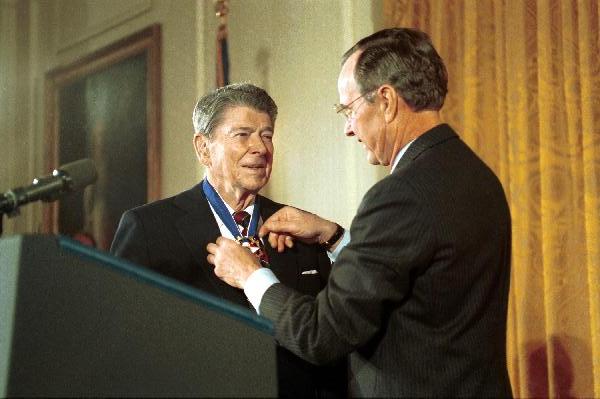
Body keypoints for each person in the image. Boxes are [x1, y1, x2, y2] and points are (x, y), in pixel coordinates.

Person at [207, 29, 513, 397]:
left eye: (349, 110)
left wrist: (251, 275)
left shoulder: (400, 195)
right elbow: (422, 275)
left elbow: (320, 335)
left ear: (385, 100)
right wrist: (334, 236)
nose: (349, 128)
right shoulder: (478, 176)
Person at [110, 83, 347, 398]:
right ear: (203, 148)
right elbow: (124, 347)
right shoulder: (149, 228)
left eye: (266, 135)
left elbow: (338, 323)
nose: (260, 148)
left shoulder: (300, 228)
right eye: (243, 134)